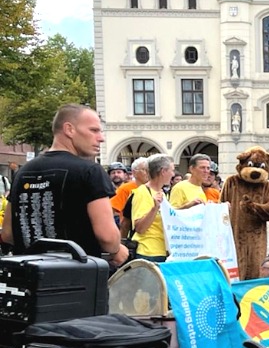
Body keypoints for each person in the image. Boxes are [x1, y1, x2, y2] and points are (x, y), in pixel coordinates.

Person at [0, 104, 128, 267]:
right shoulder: (90, 171)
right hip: (78, 279)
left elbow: (8, 233)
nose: (101, 137)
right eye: (94, 130)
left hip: (30, 279)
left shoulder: (22, 172)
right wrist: (117, 249)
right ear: (69, 129)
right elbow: (107, 237)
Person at [131, 154, 175, 263]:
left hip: (163, 252)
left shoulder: (163, 193)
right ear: (163, 171)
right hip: (148, 252)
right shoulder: (143, 192)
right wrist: (154, 208)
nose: (173, 174)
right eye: (172, 170)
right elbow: (140, 228)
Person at [111, 157, 149, 234]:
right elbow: (111, 211)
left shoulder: (154, 188)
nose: (147, 173)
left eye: (149, 170)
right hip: (130, 234)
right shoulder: (125, 188)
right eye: (144, 170)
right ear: (134, 172)